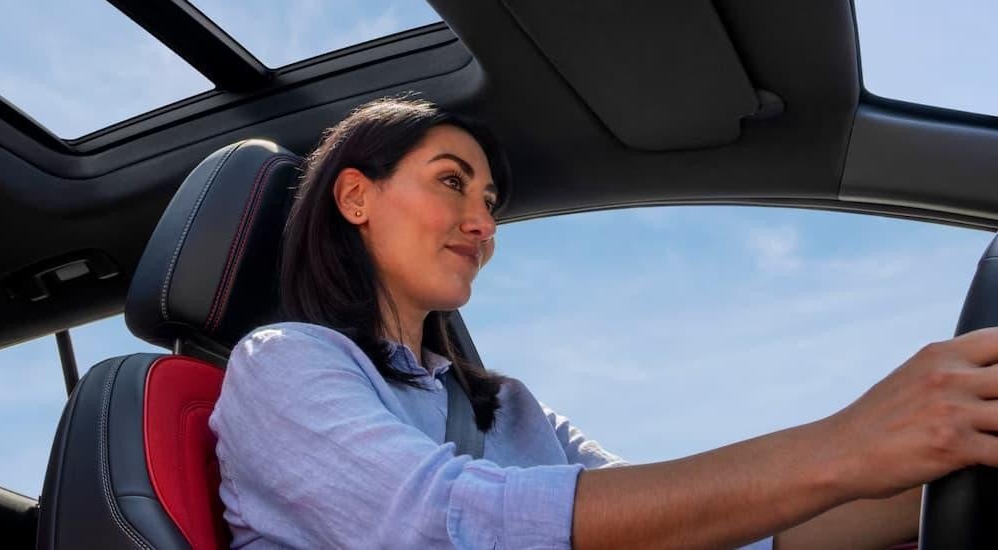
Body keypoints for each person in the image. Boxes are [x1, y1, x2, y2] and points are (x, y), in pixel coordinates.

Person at [208, 96, 998, 549]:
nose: (481, 223)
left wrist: (944, 458)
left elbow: (702, 523)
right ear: (355, 198)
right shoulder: (282, 364)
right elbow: (444, 524)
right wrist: (845, 443)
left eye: (489, 203)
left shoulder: (511, 410)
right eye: (452, 183)